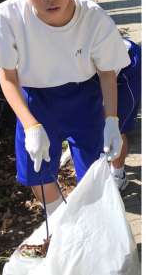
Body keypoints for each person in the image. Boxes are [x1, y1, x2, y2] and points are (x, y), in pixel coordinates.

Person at [0, 0, 130, 217]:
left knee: (95, 171)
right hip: (35, 101)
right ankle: (62, 221)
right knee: (37, 174)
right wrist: (30, 126)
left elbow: (107, 72)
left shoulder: (94, 18)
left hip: (84, 96)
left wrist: (111, 119)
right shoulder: (4, 18)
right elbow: (8, 78)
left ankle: (95, 214)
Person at [60, 38, 141, 191]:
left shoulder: (80, 66)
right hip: (99, 71)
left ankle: (119, 176)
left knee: (116, 127)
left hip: (129, 69)